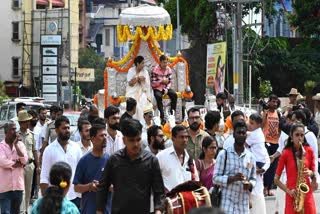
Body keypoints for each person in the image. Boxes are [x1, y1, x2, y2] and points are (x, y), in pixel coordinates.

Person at [96, 119, 165, 214]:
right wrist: (99, 211)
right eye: (131, 140)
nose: (136, 144)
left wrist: (158, 210)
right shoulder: (114, 160)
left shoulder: (151, 160)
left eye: (138, 139)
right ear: (124, 140)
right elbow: (103, 188)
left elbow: (159, 191)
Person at [213, 120, 256, 214]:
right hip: (226, 203)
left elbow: (253, 178)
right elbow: (215, 178)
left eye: (243, 133)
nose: (241, 135)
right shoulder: (223, 154)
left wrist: (250, 185)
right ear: (234, 135)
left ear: (246, 135)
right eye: (238, 132)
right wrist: (232, 179)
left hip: (243, 205)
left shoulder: (251, 157)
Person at [274, 123, 317, 214]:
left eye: (302, 135)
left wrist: (311, 173)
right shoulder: (285, 153)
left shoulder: (308, 151)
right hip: (292, 193)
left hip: (306, 193)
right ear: (291, 136)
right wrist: (288, 190)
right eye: (297, 135)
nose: (300, 138)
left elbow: (314, 176)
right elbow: (276, 179)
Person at [40, 116, 82, 207]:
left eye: (68, 128)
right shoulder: (49, 150)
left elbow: (81, 171)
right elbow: (44, 176)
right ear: (56, 130)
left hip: (74, 195)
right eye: (64, 128)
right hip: (55, 197)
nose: (67, 130)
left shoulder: (76, 148)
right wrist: (45, 199)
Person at [73, 124, 111, 214]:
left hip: (107, 209)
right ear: (93, 139)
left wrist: (106, 186)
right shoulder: (84, 161)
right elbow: (76, 187)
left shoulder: (111, 160)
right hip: (89, 209)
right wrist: (89, 186)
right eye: (101, 136)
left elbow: (117, 185)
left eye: (106, 135)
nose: (105, 138)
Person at [157, 125, 198, 191]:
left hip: (187, 199)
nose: (185, 140)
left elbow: (196, 181)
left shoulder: (190, 159)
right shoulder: (161, 156)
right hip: (168, 199)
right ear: (173, 139)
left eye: (186, 137)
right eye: (181, 137)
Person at [0, 122, 28, 214]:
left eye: (15, 129)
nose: (15, 132)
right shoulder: (1, 146)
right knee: (5, 212)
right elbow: (2, 161)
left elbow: (24, 161)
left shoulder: (20, 145)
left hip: (18, 187)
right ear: (6, 132)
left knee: (16, 212)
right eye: (12, 129)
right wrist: (16, 163)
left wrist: (16, 145)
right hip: (5, 187)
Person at [246, 113, 270, 214]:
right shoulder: (256, 133)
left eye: (252, 123)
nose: (249, 125)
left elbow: (245, 143)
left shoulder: (255, 134)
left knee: (257, 196)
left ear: (258, 125)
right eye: (249, 122)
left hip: (258, 163)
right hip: (255, 164)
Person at [17, 110, 39, 213]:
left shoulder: (32, 135)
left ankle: (26, 210)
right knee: (22, 190)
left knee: (29, 189)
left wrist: (38, 166)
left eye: (28, 121)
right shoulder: (16, 135)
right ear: (21, 123)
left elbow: (35, 151)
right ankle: (21, 211)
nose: (28, 123)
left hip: (30, 165)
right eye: (26, 121)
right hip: (19, 166)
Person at [262, 94, 280, 196]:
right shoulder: (265, 112)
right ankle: (265, 188)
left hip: (275, 143)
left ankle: (269, 188)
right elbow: (262, 125)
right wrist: (264, 113)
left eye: (276, 102)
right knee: (267, 165)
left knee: (273, 167)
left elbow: (280, 128)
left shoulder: (278, 114)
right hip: (266, 142)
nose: (275, 103)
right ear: (268, 102)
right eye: (273, 101)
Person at [151, 55, 177, 125]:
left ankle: (172, 114)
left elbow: (170, 81)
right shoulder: (155, 70)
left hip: (166, 88)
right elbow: (153, 84)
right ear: (160, 62)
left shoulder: (168, 69)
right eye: (164, 63)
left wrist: (167, 89)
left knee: (174, 95)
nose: (165, 64)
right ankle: (162, 117)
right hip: (158, 88)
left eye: (166, 62)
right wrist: (161, 81)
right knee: (158, 96)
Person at [126, 55, 153, 121]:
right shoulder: (131, 71)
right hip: (132, 90)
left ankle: (142, 121)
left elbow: (147, 85)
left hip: (143, 90)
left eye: (144, 63)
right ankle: (133, 120)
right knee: (132, 101)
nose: (143, 65)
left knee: (142, 101)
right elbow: (130, 83)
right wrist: (138, 78)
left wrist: (143, 81)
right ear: (137, 64)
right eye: (142, 63)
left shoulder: (145, 72)